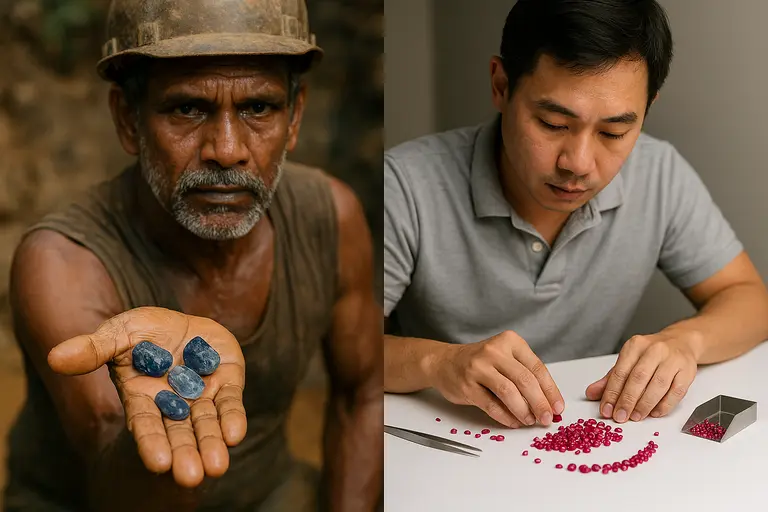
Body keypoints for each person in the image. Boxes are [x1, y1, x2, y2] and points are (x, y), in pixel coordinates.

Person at [4, 1, 382, 511]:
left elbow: (362, 391)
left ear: (295, 117)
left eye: (258, 109)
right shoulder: (64, 263)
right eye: (187, 109)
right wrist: (162, 428)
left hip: (265, 493)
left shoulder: (329, 218)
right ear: (128, 120)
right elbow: (118, 479)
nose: (227, 150)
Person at [384, 0, 768, 431]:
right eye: (552, 123)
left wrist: (685, 341)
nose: (578, 163)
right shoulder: (404, 184)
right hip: (446, 435)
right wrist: (439, 362)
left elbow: (750, 299)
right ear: (500, 85)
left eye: (614, 132)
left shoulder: (660, 173)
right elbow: (346, 348)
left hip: (588, 432)